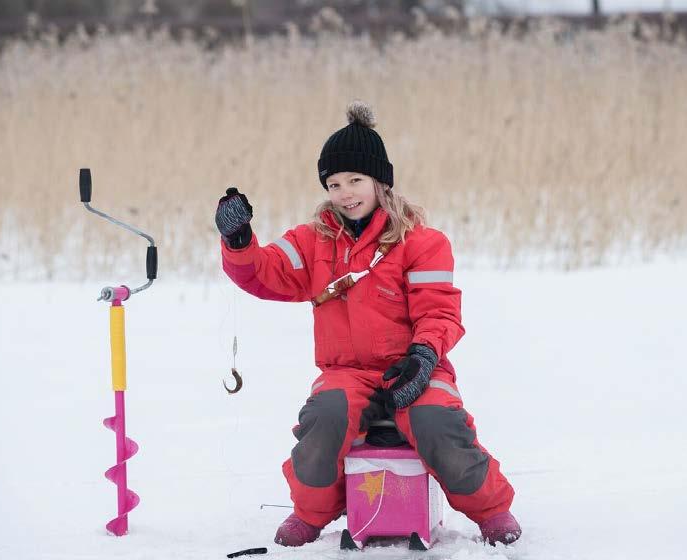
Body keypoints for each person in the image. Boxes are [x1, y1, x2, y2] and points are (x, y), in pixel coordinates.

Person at [215, 101, 521, 548]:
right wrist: (238, 240)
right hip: (346, 373)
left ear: (380, 181)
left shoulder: (423, 242)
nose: (345, 192)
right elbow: (265, 272)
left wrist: (422, 357)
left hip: (417, 367)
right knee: (323, 418)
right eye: (334, 183)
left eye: (355, 180)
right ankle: (312, 512)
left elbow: (439, 311)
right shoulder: (311, 239)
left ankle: (491, 510)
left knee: (439, 422)